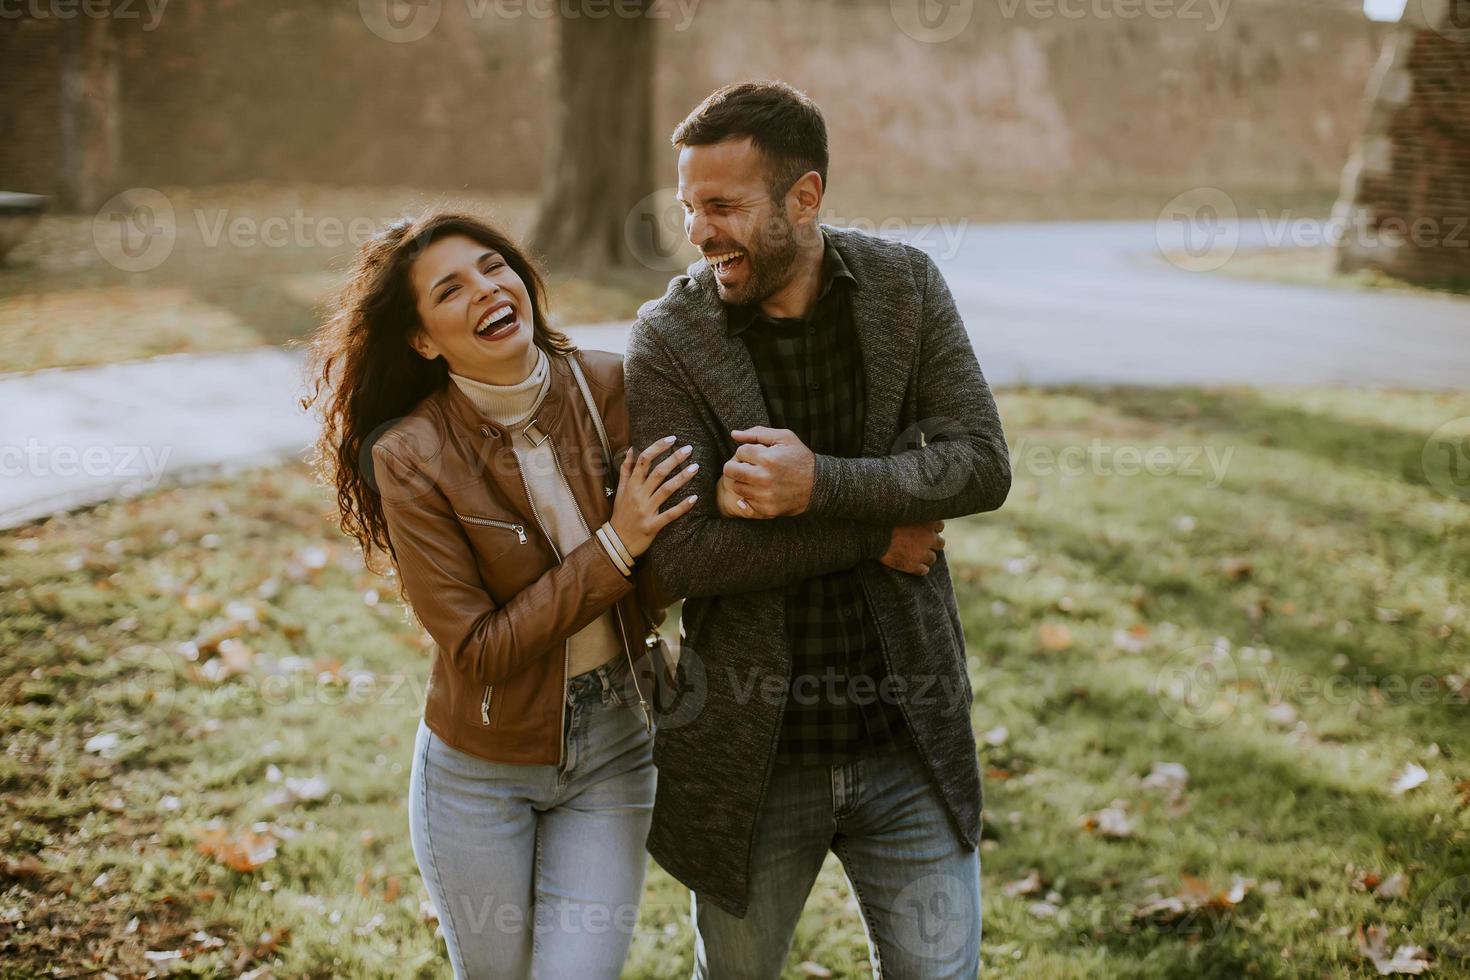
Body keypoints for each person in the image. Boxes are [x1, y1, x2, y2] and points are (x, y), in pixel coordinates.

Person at [625, 81, 1011, 979]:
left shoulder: (904, 288)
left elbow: (981, 462)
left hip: (908, 740)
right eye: (688, 207)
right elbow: (682, 553)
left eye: (722, 206)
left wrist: (819, 484)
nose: (699, 231)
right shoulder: (670, 339)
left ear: (805, 198)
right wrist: (872, 533)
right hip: (752, 761)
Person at [304, 211, 696, 978]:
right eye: (451, 288)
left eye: (493, 267)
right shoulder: (411, 455)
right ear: (422, 339)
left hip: (616, 746)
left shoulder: (613, 385)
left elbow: (674, 563)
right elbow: (482, 649)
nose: (486, 290)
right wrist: (616, 543)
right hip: (480, 772)